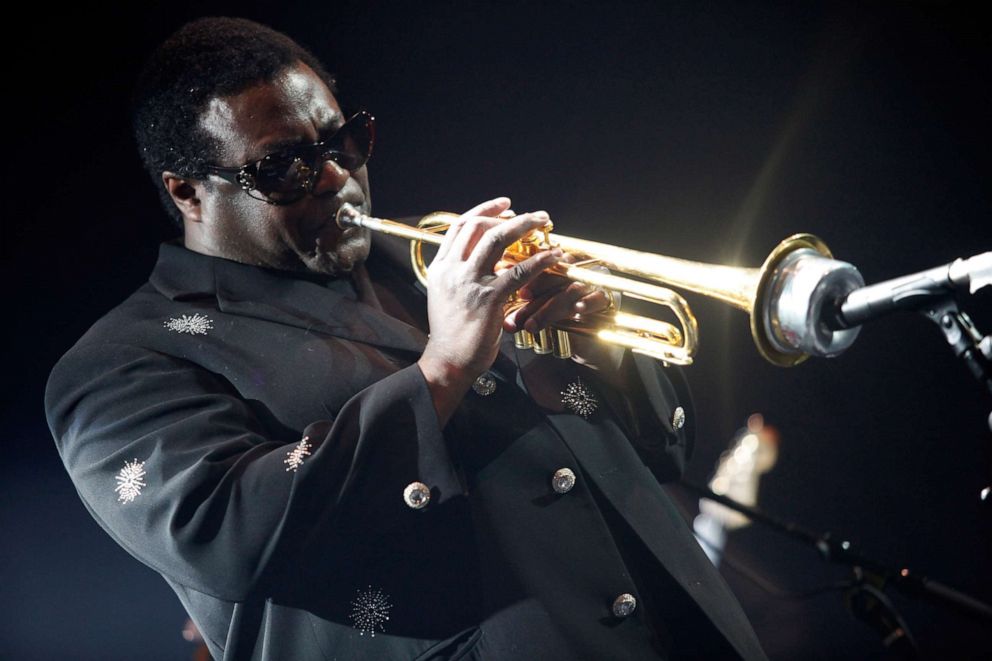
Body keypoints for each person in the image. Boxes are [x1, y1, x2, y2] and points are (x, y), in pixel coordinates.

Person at [45, 17, 766, 660]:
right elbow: (227, 531)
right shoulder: (121, 364)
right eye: (282, 166)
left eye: (345, 140)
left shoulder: (431, 270)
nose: (337, 179)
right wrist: (443, 367)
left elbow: (662, 453)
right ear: (187, 191)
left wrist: (597, 350)